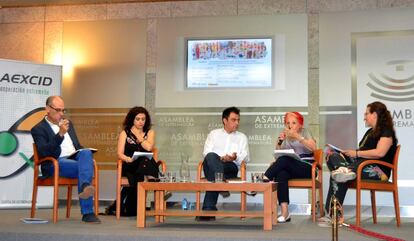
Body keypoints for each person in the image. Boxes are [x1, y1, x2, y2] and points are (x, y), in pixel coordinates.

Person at [318, 101, 398, 226]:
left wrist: (356, 153)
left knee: (339, 174)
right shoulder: (369, 132)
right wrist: (345, 154)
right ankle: (344, 171)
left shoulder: (386, 132)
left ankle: (344, 172)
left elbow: (380, 153)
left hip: (378, 171)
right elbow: (361, 153)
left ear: (375, 115)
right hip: (360, 166)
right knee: (331, 154)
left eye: (366, 113)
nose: (364, 117)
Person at [31, 96, 101, 223]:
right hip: (55, 162)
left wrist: (84, 152)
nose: (61, 114)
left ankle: (85, 186)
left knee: (86, 153)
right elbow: (44, 152)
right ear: (47, 109)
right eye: (58, 110)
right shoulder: (38, 129)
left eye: (63, 110)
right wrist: (60, 134)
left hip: (74, 158)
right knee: (86, 169)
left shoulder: (68, 123)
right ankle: (88, 212)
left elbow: (77, 146)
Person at [196, 107, 249, 221]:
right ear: (225, 120)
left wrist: (234, 157)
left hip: (230, 167)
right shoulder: (214, 134)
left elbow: (246, 156)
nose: (237, 123)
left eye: (238, 120)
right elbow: (206, 153)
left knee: (214, 175)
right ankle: (220, 183)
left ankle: (208, 209)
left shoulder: (242, 137)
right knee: (211, 157)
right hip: (212, 163)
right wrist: (220, 158)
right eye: (233, 120)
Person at [263, 112, 317, 223]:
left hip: (308, 168)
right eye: (288, 123)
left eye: (294, 123)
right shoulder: (286, 136)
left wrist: (298, 137)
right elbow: (279, 153)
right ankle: (285, 212)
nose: (290, 125)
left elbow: (313, 148)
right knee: (281, 173)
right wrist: (279, 142)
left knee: (284, 160)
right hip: (292, 167)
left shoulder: (305, 132)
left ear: (300, 125)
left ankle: (265, 177)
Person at [114, 106, 161, 216]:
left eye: (143, 119)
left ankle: (132, 208)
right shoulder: (124, 133)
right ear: (132, 119)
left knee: (144, 159)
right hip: (130, 164)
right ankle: (154, 178)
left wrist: (138, 137)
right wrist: (127, 159)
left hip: (143, 164)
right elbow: (120, 153)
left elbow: (149, 148)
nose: (141, 122)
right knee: (142, 163)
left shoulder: (150, 132)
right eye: (137, 119)